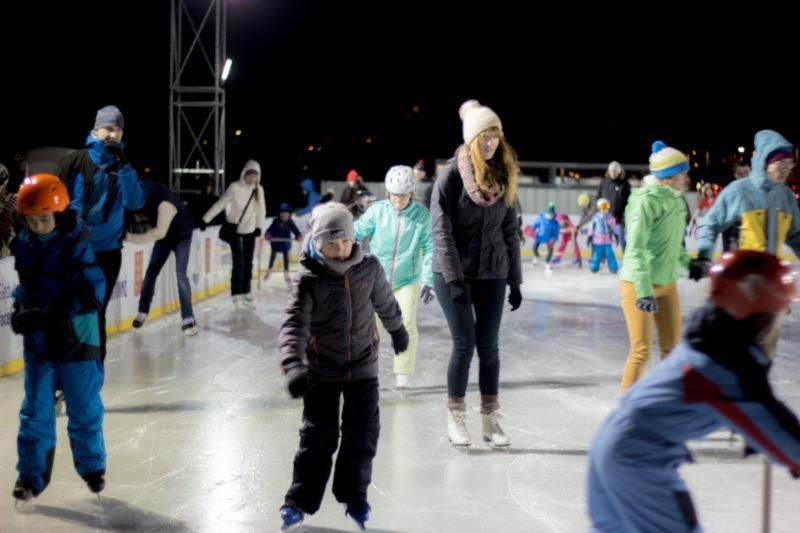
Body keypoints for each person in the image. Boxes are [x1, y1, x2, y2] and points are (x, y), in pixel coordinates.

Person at [588, 250, 800, 533]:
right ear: (760, 318)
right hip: (637, 461)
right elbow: (780, 435)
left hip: (612, 444)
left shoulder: (709, 338)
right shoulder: (724, 370)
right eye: (780, 311)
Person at [278, 202, 409, 530]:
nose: (340, 249)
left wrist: (398, 330)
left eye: (346, 241)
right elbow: (295, 324)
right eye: (332, 243)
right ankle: (299, 501)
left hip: (363, 367)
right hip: (321, 370)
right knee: (317, 437)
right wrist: (293, 364)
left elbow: (385, 303)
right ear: (319, 244)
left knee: (362, 434)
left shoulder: (369, 268)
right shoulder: (309, 279)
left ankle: (354, 496)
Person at [430, 99, 522, 448]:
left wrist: (514, 279)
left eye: (495, 137)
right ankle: (455, 417)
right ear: (471, 139)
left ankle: (490, 420)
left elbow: (510, 232)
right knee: (464, 344)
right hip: (453, 271)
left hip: (493, 271)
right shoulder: (450, 177)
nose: (490, 143)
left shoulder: (503, 175)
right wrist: (454, 280)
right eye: (483, 137)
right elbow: (441, 232)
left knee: (491, 348)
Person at [10, 174, 107, 501]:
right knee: (35, 409)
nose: (38, 226)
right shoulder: (24, 245)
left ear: (60, 213)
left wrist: (54, 312)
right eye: (32, 220)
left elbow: (94, 292)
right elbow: (26, 287)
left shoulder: (77, 245)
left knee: (83, 405)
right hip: (39, 339)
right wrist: (20, 308)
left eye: (45, 219)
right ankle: (30, 477)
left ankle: (93, 466)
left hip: (78, 334)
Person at [56, 105, 146, 363]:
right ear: (95, 130)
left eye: (117, 130)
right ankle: (65, 376)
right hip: (74, 249)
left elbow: (135, 203)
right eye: (108, 128)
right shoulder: (75, 161)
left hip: (107, 254)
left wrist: (125, 165)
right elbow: (57, 203)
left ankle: (91, 375)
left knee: (96, 312)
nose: (112, 134)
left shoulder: (123, 168)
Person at [618, 141, 691, 391]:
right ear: (667, 177)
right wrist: (643, 289)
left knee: (673, 350)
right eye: (682, 173)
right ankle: (626, 413)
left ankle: (666, 406)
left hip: (667, 284)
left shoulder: (677, 202)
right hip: (639, 284)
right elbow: (635, 249)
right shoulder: (645, 202)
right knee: (641, 350)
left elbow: (674, 246)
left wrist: (691, 264)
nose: (686, 178)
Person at [354, 165, 435, 389]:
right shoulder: (378, 211)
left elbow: (430, 248)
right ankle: (366, 368)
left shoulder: (421, 216)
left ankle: (403, 371)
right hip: (377, 280)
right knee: (371, 325)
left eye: (404, 194)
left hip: (407, 280)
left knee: (406, 323)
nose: (398, 199)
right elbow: (358, 230)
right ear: (388, 192)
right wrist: (347, 240)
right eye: (395, 194)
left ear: (412, 193)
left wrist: (429, 280)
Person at [693, 130, 800, 280]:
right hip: (739, 279)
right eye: (780, 163)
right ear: (765, 162)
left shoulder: (786, 196)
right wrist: (703, 256)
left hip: (770, 279)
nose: (786, 169)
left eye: (789, 164)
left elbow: (795, 235)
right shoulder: (739, 191)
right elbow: (711, 223)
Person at [127, 180, 198, 336]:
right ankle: (142, 311)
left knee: (180, 275)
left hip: (181, 237)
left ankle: (188, 316)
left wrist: (130, 237)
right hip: (166, 237)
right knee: (151, 273)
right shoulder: (145, 197)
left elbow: (159, 232)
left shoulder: (165, 205)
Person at [202, 160, 266, 309]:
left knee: (248, 262)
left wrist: (258, 226)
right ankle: (236, 294)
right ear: (244, 174)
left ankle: (247, 292)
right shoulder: (234, 187)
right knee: (239, 262)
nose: (252, 179)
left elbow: (261, 209)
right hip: (235, 230)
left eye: (255, 176)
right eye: (249, 175)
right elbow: (220, 204)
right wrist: (205, 219)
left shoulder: (258, 190)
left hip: (250, 230)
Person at [594, 161, 631, 252]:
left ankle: (627, 258)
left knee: (622, 239)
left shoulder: (625, 184)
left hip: (618, 218)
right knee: (600, 239)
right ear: (608, 171)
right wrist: (598, 212)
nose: (613, 173)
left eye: (615, 171)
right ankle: (598, 258)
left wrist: (623, 216)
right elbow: (598, 198)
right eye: (611, 171)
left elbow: (628, 202)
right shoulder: (603, 182)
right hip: (604, 217)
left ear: (619, 172)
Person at [264, 203, 303, 284]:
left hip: (285, 243)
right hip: (276, 243)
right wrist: (268, 234)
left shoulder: (290, 222)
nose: (284, 218)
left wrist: (298, 235)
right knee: (272, 256)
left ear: (289, 216)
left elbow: (295, 229)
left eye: (286, 216)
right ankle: (269, 270)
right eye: (282, 216)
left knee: (286, 258)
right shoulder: (276, 222)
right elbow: (271, 229)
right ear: (280, 215)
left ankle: (286, 273)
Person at [720, 161, 751, 252]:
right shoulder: (728, 193)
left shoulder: (758, 192)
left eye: (746, 172)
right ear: (735, 175)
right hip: (733, 236)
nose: (744, 176)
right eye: (740, 173)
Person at [588, 198, 619, 274]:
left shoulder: (610, 218)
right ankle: (594, 267)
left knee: (610, 255)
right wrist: (590, 236)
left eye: (606, 206)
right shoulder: (596, 218)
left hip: (607, 240)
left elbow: (614, 227)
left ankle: (613, 268)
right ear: (599, 207)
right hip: (598, 240)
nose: (605, 209)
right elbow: (592, 227)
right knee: (597, 255)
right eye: (603, 206)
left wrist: (616, 235)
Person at [531, 202, 560, 272]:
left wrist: (552, 240)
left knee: (550, 250)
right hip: (539, 236)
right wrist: (531, 229)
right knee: (534, 248)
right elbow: (535, 225)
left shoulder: (555, 224)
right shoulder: (540, 218)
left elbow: (555, 234)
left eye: (551, 214)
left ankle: (547, 262)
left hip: (549, 239)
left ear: (553, 214)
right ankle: (536, 256)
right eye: (548, 214)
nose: (549, 216)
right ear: (545, 212)